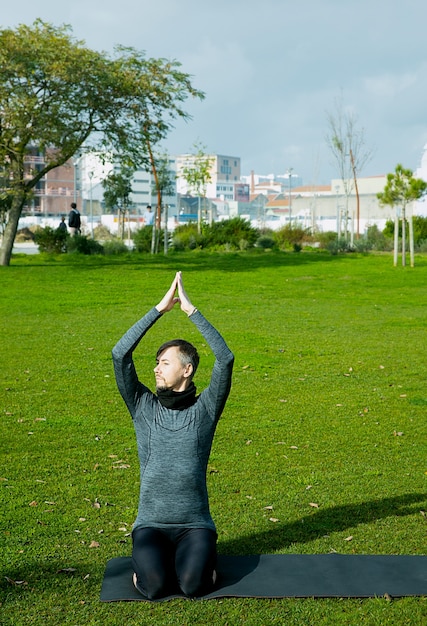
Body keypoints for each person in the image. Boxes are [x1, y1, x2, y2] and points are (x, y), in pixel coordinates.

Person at [112, 272, 234, 599]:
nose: (156, 369)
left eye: (164, 363)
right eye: (156, 362)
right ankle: (159, 563)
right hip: (150, 525)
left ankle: (199, 563)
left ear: (187, 370)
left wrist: (192, 312)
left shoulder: (205, 411)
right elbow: (119, 355)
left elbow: (225, 359)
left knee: (194, 586)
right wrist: (159, 310)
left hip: (195, 525)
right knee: (153, 587)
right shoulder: (143, 406)